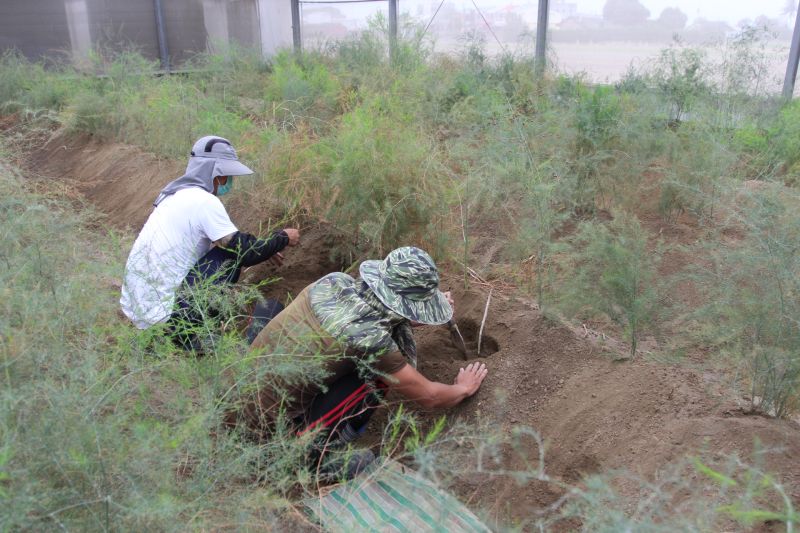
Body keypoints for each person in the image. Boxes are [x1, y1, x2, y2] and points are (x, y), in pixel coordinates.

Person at [231, 246, 489, 479]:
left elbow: (370, 315)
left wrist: (414, 313)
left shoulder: (335, 282)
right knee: (374, 377)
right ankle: (311, 458)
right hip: (264, 437)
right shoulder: (372, 340)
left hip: (232, 398)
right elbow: (430, 396)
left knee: (272, 309)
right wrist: (462, 388)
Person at [120, 135, 300, 348]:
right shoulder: (204, 201)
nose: (229, 181)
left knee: (222, 252)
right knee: (229, 257)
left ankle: (182, 329)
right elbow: (245, 251)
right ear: (216, 173)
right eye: (227, 175)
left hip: (137, 312)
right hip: (164, 319)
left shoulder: (173, 196)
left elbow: (231, 242)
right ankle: (192, 336)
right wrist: (283, 238)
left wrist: (265, 249)